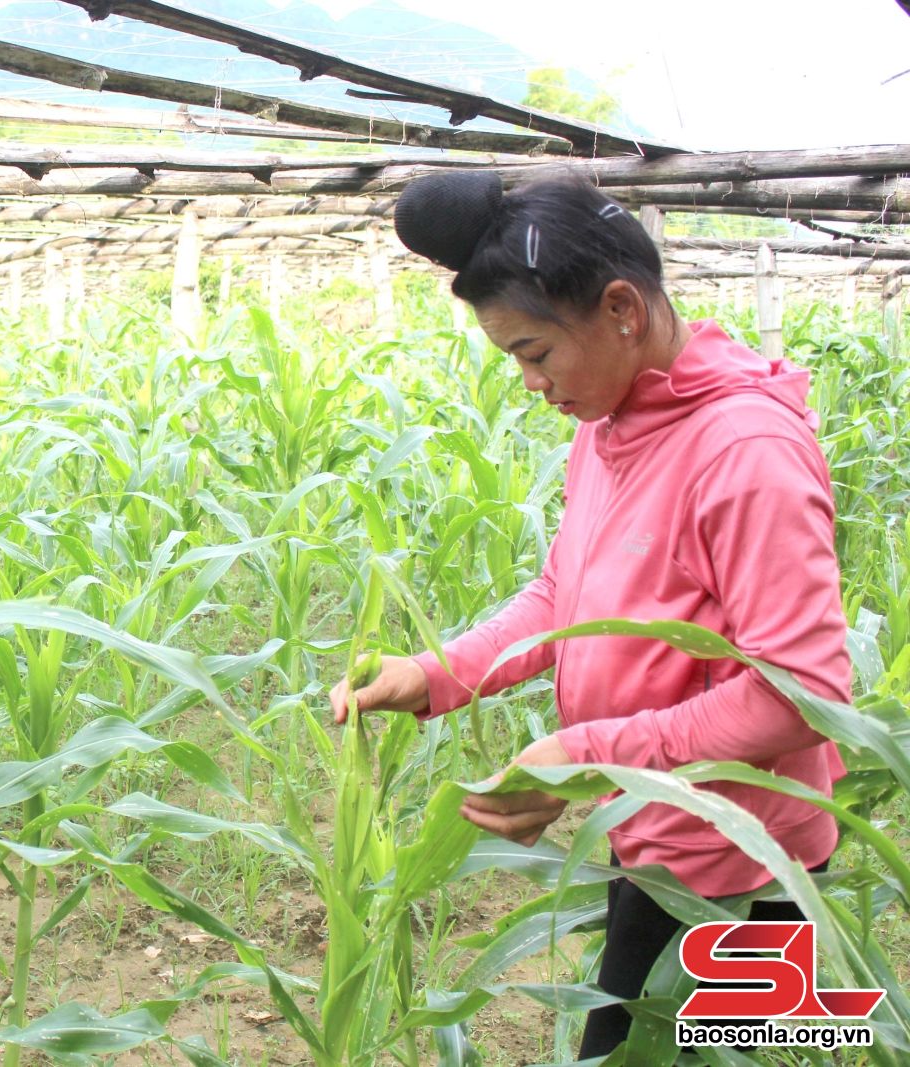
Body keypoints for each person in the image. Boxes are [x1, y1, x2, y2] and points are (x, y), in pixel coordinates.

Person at [329, 171, 849, 1057]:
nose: (531, 382)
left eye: (536, 352)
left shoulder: (746, 454)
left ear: (621, 310)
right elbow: (561, 593)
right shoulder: (611, 422)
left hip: (746, 865)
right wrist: (440, 673)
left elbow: (798, 692)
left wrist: (581, 754)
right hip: (655, 829)